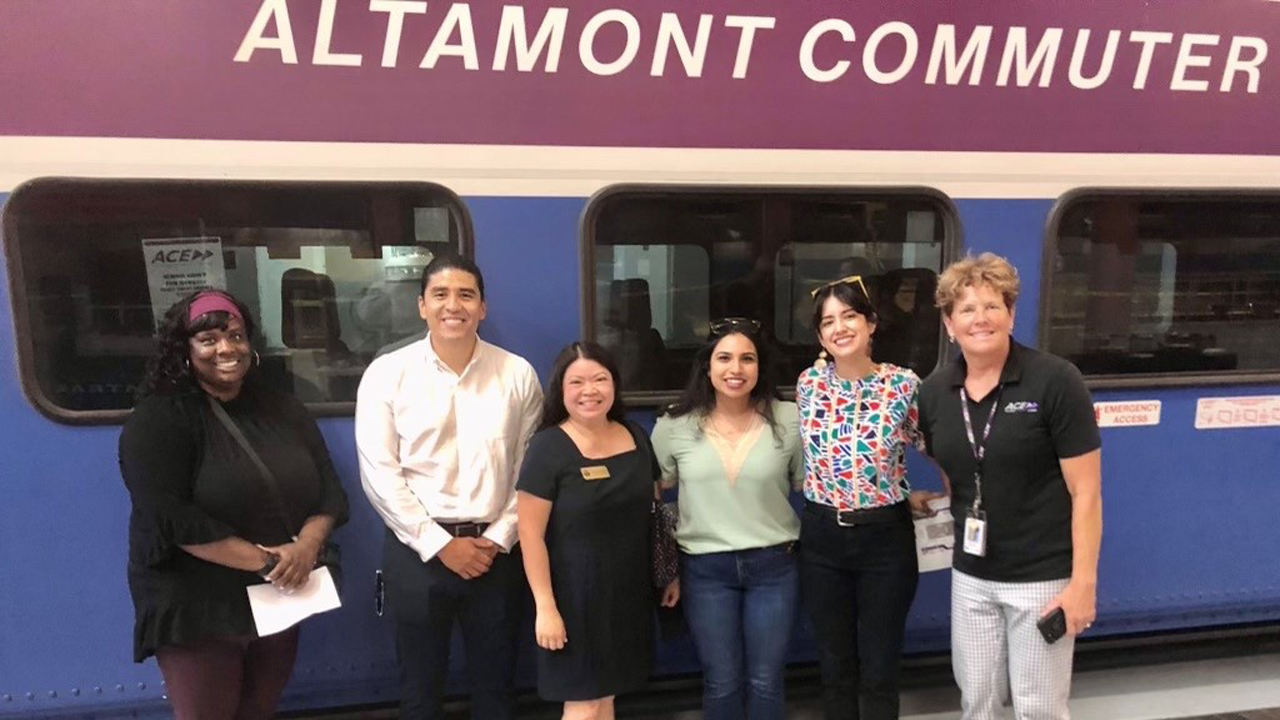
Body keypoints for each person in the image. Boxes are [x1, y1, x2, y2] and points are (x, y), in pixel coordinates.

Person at [119, 288, 349, 720]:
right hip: (199, 605)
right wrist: (266, 561)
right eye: (208, 340)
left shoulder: (281, 408)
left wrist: (305, 549)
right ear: (184, 349)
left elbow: (329, 491)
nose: (226, 348)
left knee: (259, 710)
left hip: (279, 593)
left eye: (236, 336)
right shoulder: (158, 419)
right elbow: (171, 519)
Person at [355, 254, 543, 720]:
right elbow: (379, 473)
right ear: (422, 306)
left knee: (496, 688)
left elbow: (532, 471)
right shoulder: (387, 373)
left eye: (466, 295)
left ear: (483, 307)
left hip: (496, 555)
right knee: (419, 689)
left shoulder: (517, 375)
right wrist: (440, 544)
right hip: (417, 554)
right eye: (440, 294)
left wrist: (498, 538)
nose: (452, 305)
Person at [918, 253, 1102, 720]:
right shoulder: (936, 391)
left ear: (1011, 315)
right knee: (976, 700)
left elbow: (1086, 493)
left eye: (992, 306)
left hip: (1041, 580)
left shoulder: (1056, 381)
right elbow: (950, 463)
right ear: (948, 323)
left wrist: (1083, 584)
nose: (980, 318)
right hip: (972, 579)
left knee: (1037, 706)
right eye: (966, 309)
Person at [795, 276, 938, 720]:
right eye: (828, 321)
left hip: (884, 541)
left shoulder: (903, 385)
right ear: (820, 336)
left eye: (850, 316)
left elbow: (934, 444)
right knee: (834, 667)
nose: (840, 327)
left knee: (879, 668)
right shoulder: (808, 385)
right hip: (822, 539)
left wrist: (907, 492)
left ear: (871, 323)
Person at [650, 318, 803, 720]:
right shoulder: (673, 424)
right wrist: (665, 569)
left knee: (766, 679)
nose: (736, 369)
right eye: (725, 358)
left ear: (760, 367)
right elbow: (652, 497)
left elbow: (815, 487)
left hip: (774, 566)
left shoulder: (790, 419)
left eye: (747, 359)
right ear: (707, 366)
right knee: (721, 679)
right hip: (703, 569)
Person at [516, 341, 677, 720]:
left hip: (627, 597)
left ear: (615, 385)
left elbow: (656, 514)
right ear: (560, 390)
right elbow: (530, 537)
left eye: (600, 379)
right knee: (584, 703)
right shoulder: (547, 448)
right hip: (574, 601)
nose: (590, 391)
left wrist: (667, 574)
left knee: (606, 699)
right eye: (577, 383)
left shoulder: (636, 436)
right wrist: (546, 608)